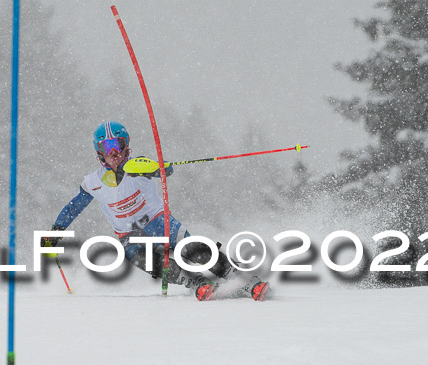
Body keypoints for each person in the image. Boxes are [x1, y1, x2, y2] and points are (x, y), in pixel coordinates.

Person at [41, 121, 270, 301]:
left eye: (118, 145)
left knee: (193, 250)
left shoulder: (137, 166)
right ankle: (196, 282)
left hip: (157, 221)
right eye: (107, 147)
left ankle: (242, 278)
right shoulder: (93, 182)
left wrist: (161, 168)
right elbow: (75, 206)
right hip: (128, 236)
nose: (114, 152)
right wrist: (56, 230)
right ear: (99, 151)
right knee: (143, 260)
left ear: (126, 146)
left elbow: (163, 169)